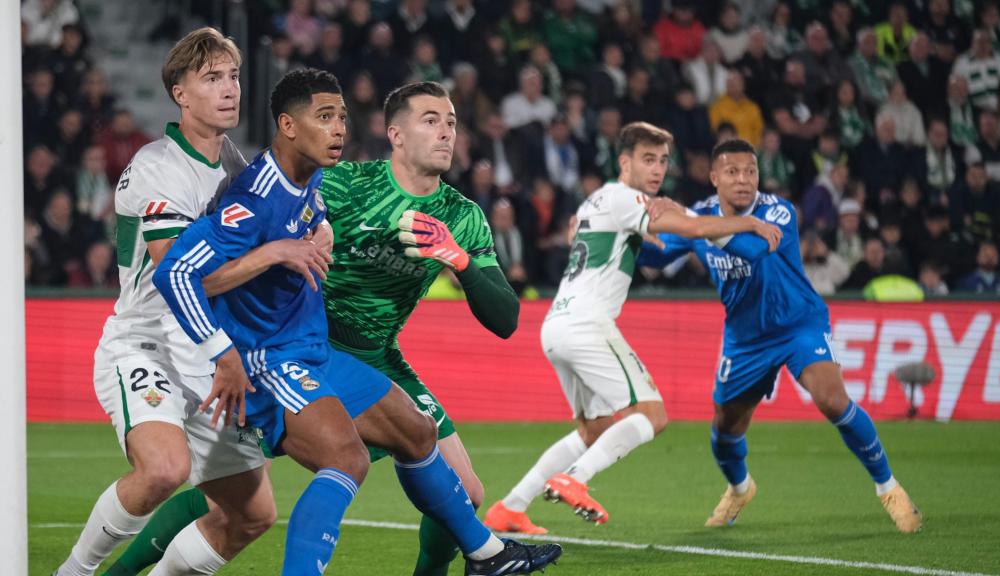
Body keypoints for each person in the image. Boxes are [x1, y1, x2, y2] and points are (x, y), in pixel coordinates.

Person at [152, 74, 562, 576]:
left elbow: (505, 320)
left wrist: (459, 261)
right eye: (431, 120)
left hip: (372, 353)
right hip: (296, 345)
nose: (446, 132)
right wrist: (226, 342)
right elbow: (199, 263)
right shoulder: (343, 182)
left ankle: (483, 558)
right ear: (396, 134)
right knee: (237, 490)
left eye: (452, 122)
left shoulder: (461, 216)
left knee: (451, 472)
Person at [54, 28, 320, 576]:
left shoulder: (237, 166)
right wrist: (273, 251)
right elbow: (184, 277)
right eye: (212, 78)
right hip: (146, 343)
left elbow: (296, 215)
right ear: (180, 94)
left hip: (209, 353)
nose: (230, 89)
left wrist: (317, 230)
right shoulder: (159, 167)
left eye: (234, 76)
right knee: (163, 469)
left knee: (252, 514)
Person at [483, 123, 782, 532]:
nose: (658, 169)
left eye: (663, 161)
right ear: (624, 163)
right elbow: (695, 229)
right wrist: (749, 224)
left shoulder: (597, 199)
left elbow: (594, 233)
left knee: (594, 430)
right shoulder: (626, 198)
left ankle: (511, 507)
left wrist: (662, 214)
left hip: (557, 323)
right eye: (648, 159)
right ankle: (575, 478)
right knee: (652, 415)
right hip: (588, 324)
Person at [638, 139, 922, 533]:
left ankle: (889, 488)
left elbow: (753, 249)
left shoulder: (777, 211)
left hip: (798, 324)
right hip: (745, 339)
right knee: (725, 429)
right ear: (714, 177)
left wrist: (687, 218)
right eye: (733, 172)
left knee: (832, 399)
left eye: (750, 171)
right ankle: (740, 489)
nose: (743, 180)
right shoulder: (699, 217)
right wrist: (621, 234)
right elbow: (655, 255)